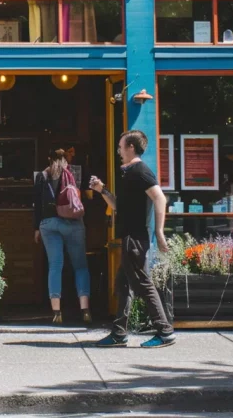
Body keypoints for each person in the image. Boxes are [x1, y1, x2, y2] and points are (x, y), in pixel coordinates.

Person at [89, 130, 176, 348]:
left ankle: (165, 331)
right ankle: (119, 333)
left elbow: (160, 198)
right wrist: (102, 191)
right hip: (131, 237)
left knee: (143, 284)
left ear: (131, 147)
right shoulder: (129, 172)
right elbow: (119, 206)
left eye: (120, 146)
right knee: (124, 284)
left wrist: (159, 232)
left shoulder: (140, 170)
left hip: (135, 239)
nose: (118, 150)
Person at [34, 149, 91, 325]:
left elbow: (37, 204)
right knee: (80, 266)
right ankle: (85, 310)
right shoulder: (75, 173)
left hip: (49, 224)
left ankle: (56, 312)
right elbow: (87, 196)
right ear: (66, 158)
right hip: (73, 222)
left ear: (49, 158)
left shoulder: (42, 175)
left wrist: (36, 228)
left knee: (55, 266)